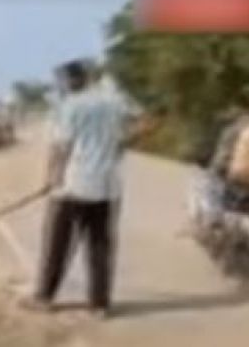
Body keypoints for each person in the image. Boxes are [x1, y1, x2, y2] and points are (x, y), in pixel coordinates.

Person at [23, 60, 154, 318]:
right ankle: (99, 304)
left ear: (71, 81)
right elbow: (148, 121)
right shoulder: (115, 100)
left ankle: (44, 297)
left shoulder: (70, 106)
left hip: (73, 184)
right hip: (108, 186)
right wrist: (123, 142)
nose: (60, 86)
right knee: (100, 246)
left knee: (58, 243)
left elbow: (61, 147)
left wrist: (51, 179)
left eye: (62, 81)